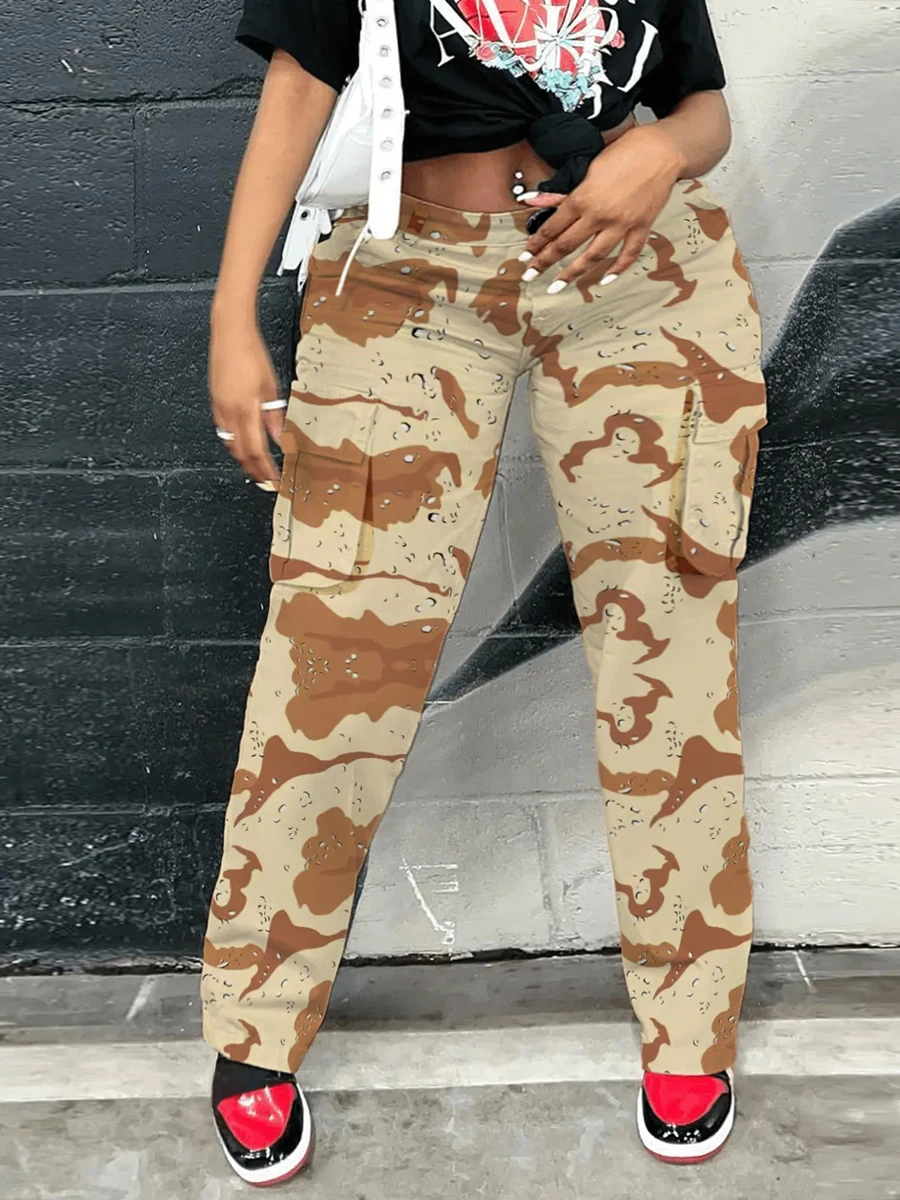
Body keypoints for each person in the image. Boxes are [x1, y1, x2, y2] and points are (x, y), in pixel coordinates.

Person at [203, 0, 766, 1184]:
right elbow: (302, 80)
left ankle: (690, 1024)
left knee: (668, 658)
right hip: (405, 276)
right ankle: (255, 1022)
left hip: (638, 273)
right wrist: (230, 308)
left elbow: (701, 105)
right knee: (333, 662)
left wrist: (662, 152)